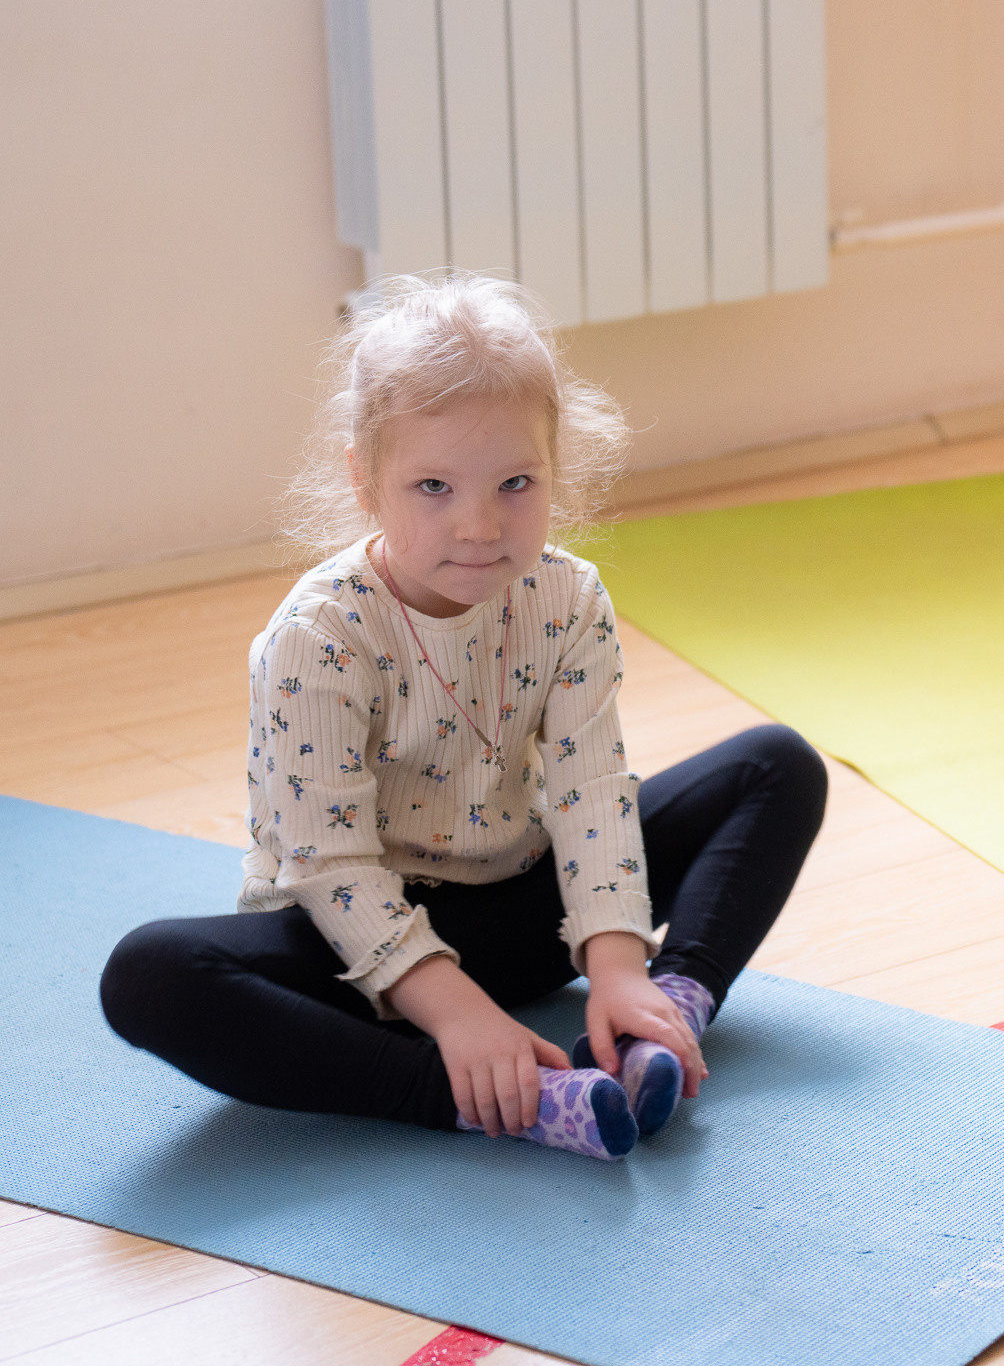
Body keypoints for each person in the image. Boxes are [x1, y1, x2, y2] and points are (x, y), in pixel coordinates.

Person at [101, 273, 826, 1160]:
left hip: (522, 911)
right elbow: (328, 864)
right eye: (434, 486)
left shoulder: (567, 596)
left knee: (776, 765)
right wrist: (455, 1014)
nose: (479, 526)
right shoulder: (319, 634)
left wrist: (616, 965)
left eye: (516, 483)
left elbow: (593, 793)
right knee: (149, 975)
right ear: (366, 481)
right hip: (354, 950)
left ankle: (660, 1021)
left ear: (557, 466)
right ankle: (489, 1095)